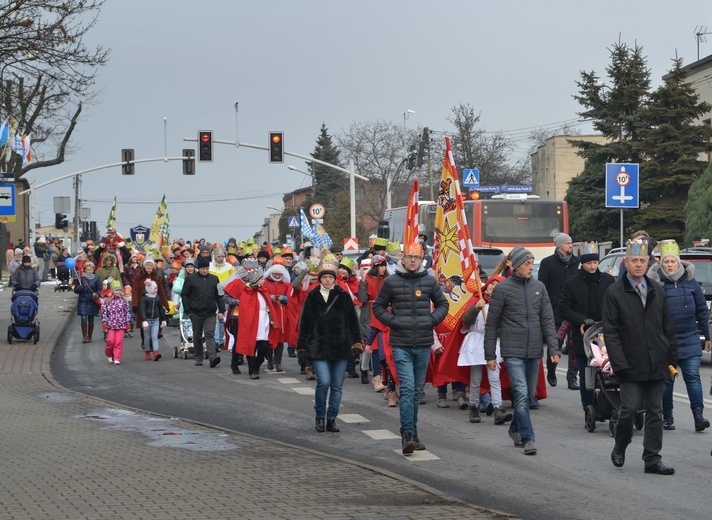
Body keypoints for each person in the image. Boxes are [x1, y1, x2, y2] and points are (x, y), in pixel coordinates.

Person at [604, 239, 678, 475]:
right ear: (626, 262)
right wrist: (619, 364)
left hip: (656, 361)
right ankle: (621, 444)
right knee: (630, 408)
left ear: (648, 262)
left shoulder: (656, 290)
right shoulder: (615, 292)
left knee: (656, 412)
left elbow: (667, 326)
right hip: (629, 362)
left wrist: (671, 357)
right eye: (634, 261)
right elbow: (611, 332)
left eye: (642, 261)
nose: (638, 265)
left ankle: (652, 459)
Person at [372, 242, 449, 454]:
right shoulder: (392, 281)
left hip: (423, 343)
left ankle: (414, 433)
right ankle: (406, 434)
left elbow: (443, 305)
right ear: (402, 259)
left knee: (416, 391)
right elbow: (378, 307)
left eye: (416, 257)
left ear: (422, 259)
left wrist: (431, 320)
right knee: (406, 388)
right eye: (409, 257)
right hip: (401, 343)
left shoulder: (429, 281)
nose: (413, 260)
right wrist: (394, 321)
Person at [484, 246, 560, 456]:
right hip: (513, 351)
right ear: (516, 266)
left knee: (526, 395)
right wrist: (490, 354)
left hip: (534, 351)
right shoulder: (503, 289)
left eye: (531, 263)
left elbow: (547, 320)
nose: (530, 267)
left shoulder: (539, 288)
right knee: (520, 394)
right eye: (527, 264)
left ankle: (514, 428)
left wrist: (553, 348)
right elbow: (492, 324)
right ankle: (528, 439)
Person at [647, 240, 711, 432]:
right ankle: (667, 417)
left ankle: (698, 416)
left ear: (679, 263)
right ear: (661, 264)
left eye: (672, 262)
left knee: (693, 377)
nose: (669, 265)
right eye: (666, 262)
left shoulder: (691, 283)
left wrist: (708, 336)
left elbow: (702, 311)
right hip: (665, 341)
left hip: (690, 337)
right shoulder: (655, 285)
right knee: (667, 381)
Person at [298, 261, 362, 433]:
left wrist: (356, 343)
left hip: (340, 346)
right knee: (323, 382)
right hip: (318, 346)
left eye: (330, 277)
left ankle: (332, 418)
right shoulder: (312, 297)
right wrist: (302, 348)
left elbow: (353, 323)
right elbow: (305, 324)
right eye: (324, 277)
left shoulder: (343, 296)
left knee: (337, 385)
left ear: (334, 279)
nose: (327, 280)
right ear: (320, 279)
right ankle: (320, 416)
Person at [558, 242, 615, 412]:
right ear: (583, 263)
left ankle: (607, 404)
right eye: (589, 263)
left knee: (608, 372)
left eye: (595, 263)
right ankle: (588, 406)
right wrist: (582, 319)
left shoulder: (608, 280)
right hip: (583, 335)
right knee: (586, 374)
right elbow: (564, 309)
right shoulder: (572, 283)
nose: (592, 266)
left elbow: (614, 304)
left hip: (605, 334)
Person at [456, 276, 512, 425]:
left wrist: (495, 328)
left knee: (494, 377)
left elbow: (507, 326)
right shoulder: (477, 301)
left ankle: (498, 408)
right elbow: (466, 320)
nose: (493, 287)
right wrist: (476, 308)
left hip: (493, 342)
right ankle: (473, 407)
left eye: (497, 285)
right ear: (486, 286)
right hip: (476, 342)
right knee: (475, 379)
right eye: (491, 284)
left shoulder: (503, 304)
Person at [223, 259, 279, 378]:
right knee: (240, 340)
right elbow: (227, 298)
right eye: (247, 271)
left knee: (261, 344)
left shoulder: (260, 288)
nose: (249, 273)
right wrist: (241, 303)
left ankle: (254, 367)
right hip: (238, 315)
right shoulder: (238, 283)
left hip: (258, 318)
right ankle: (236, 363)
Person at [538, 232, 580, 389]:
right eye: (568, 243)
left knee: (574, 346)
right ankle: (552, 369)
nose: (571, 245)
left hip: (574, 311)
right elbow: (543, 287)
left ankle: (572, 378)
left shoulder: (577, 262)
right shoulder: (547, 263)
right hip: (555, 312)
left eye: (571, 243)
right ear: (560, 245)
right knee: (555, 343)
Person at [181, 256, 225, 368]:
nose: (204, 270)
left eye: (206, 268)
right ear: (198, 269)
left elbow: (219, 296)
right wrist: (188, 311)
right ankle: (199, 357)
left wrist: (221, 310)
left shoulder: (214, 279)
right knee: (197, 335)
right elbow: (185, 295)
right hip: (195, 312)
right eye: (202, 268)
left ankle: (212, 358)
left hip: (210, 312)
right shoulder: (191, 279)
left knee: (209, 334)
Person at [101, 280, 132, 365]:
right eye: (116, 290)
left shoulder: (124, 301)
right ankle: (109, 353)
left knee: (118, 342)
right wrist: (104, 323)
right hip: (111, 325)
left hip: (121, 325)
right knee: (110, 341)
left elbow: (127, 312)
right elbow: (104, 313)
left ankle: (117, 358)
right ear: (113, 291)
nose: (118, 292)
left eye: (119, 290)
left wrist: (128, 323)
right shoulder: (107, 301)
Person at [74, 261, 102, 343]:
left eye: (91, 269)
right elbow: (75, 290)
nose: (90, 271)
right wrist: (79, 288)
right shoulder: (81, 279)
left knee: (91, 319)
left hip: (92, 301)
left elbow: (99, 288)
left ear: (93, 270)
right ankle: (85, 336)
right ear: (85, 270)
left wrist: (97, 294)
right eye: (88, 269)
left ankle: (90, 336)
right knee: (83, 318)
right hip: (83, 301)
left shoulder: (96, 278)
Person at [139, 279, 167, 361]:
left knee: (155, 336)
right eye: (154, 288)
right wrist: (144, 320)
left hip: (156, 320)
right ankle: (147, 352)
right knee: (147, 337)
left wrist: (163, 320)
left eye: (156, 288)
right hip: (147, 320)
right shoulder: (144, 299)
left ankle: (156, 352)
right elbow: (142, 310)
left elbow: (161, 309)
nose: (156, 290)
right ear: (150, 289)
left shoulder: (157, 297)